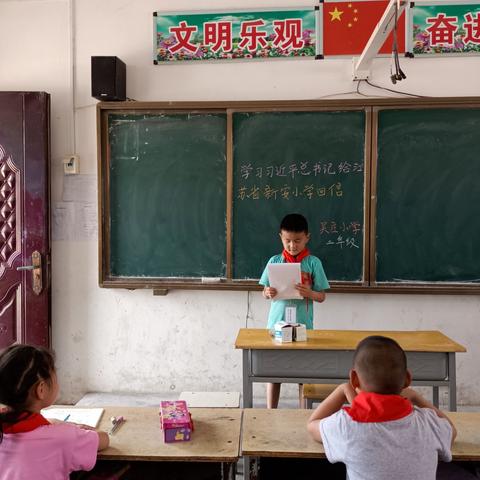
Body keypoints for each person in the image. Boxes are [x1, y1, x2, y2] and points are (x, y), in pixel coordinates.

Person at [307, 335, 457, 480]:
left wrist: (342, 390)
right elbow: (451, 431)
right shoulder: (428, 423)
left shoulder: (345, 425)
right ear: (407, 379)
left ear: (354, 379)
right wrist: (416, 397)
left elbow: (312, 425)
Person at [0, 344, 109, 480]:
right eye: (54, 373)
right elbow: (103, 440)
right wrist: (73, 428)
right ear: (41, 389)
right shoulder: (63, 436)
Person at [260, 213, 329, 408]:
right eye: (288, 240)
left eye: (297, 240)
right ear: (280, 237)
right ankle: (269, 411)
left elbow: (322, 296)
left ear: (307, 237)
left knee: (303, 372)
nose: (292, 245)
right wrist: (267, 292)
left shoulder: (313, 263)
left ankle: (302, 412)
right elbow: (264, 292)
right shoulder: (274, 261)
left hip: (303, 325)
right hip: (277, 324)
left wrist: (310, 293)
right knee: (273, 372)